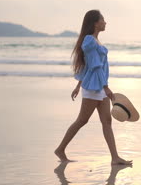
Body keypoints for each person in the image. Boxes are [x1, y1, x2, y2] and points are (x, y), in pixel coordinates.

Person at [54, 10, 132, 165]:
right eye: (103, 19)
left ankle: (115, 157)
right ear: (96, 23)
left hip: (100, 87)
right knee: (82, 120)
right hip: (94, 88)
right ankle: (60, 149)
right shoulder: (89, 41)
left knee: (107, 122)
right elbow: (95, 67)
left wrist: (78, 85)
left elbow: (86, 66)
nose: (105, 22)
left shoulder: (95, 41)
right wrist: (106, 87)